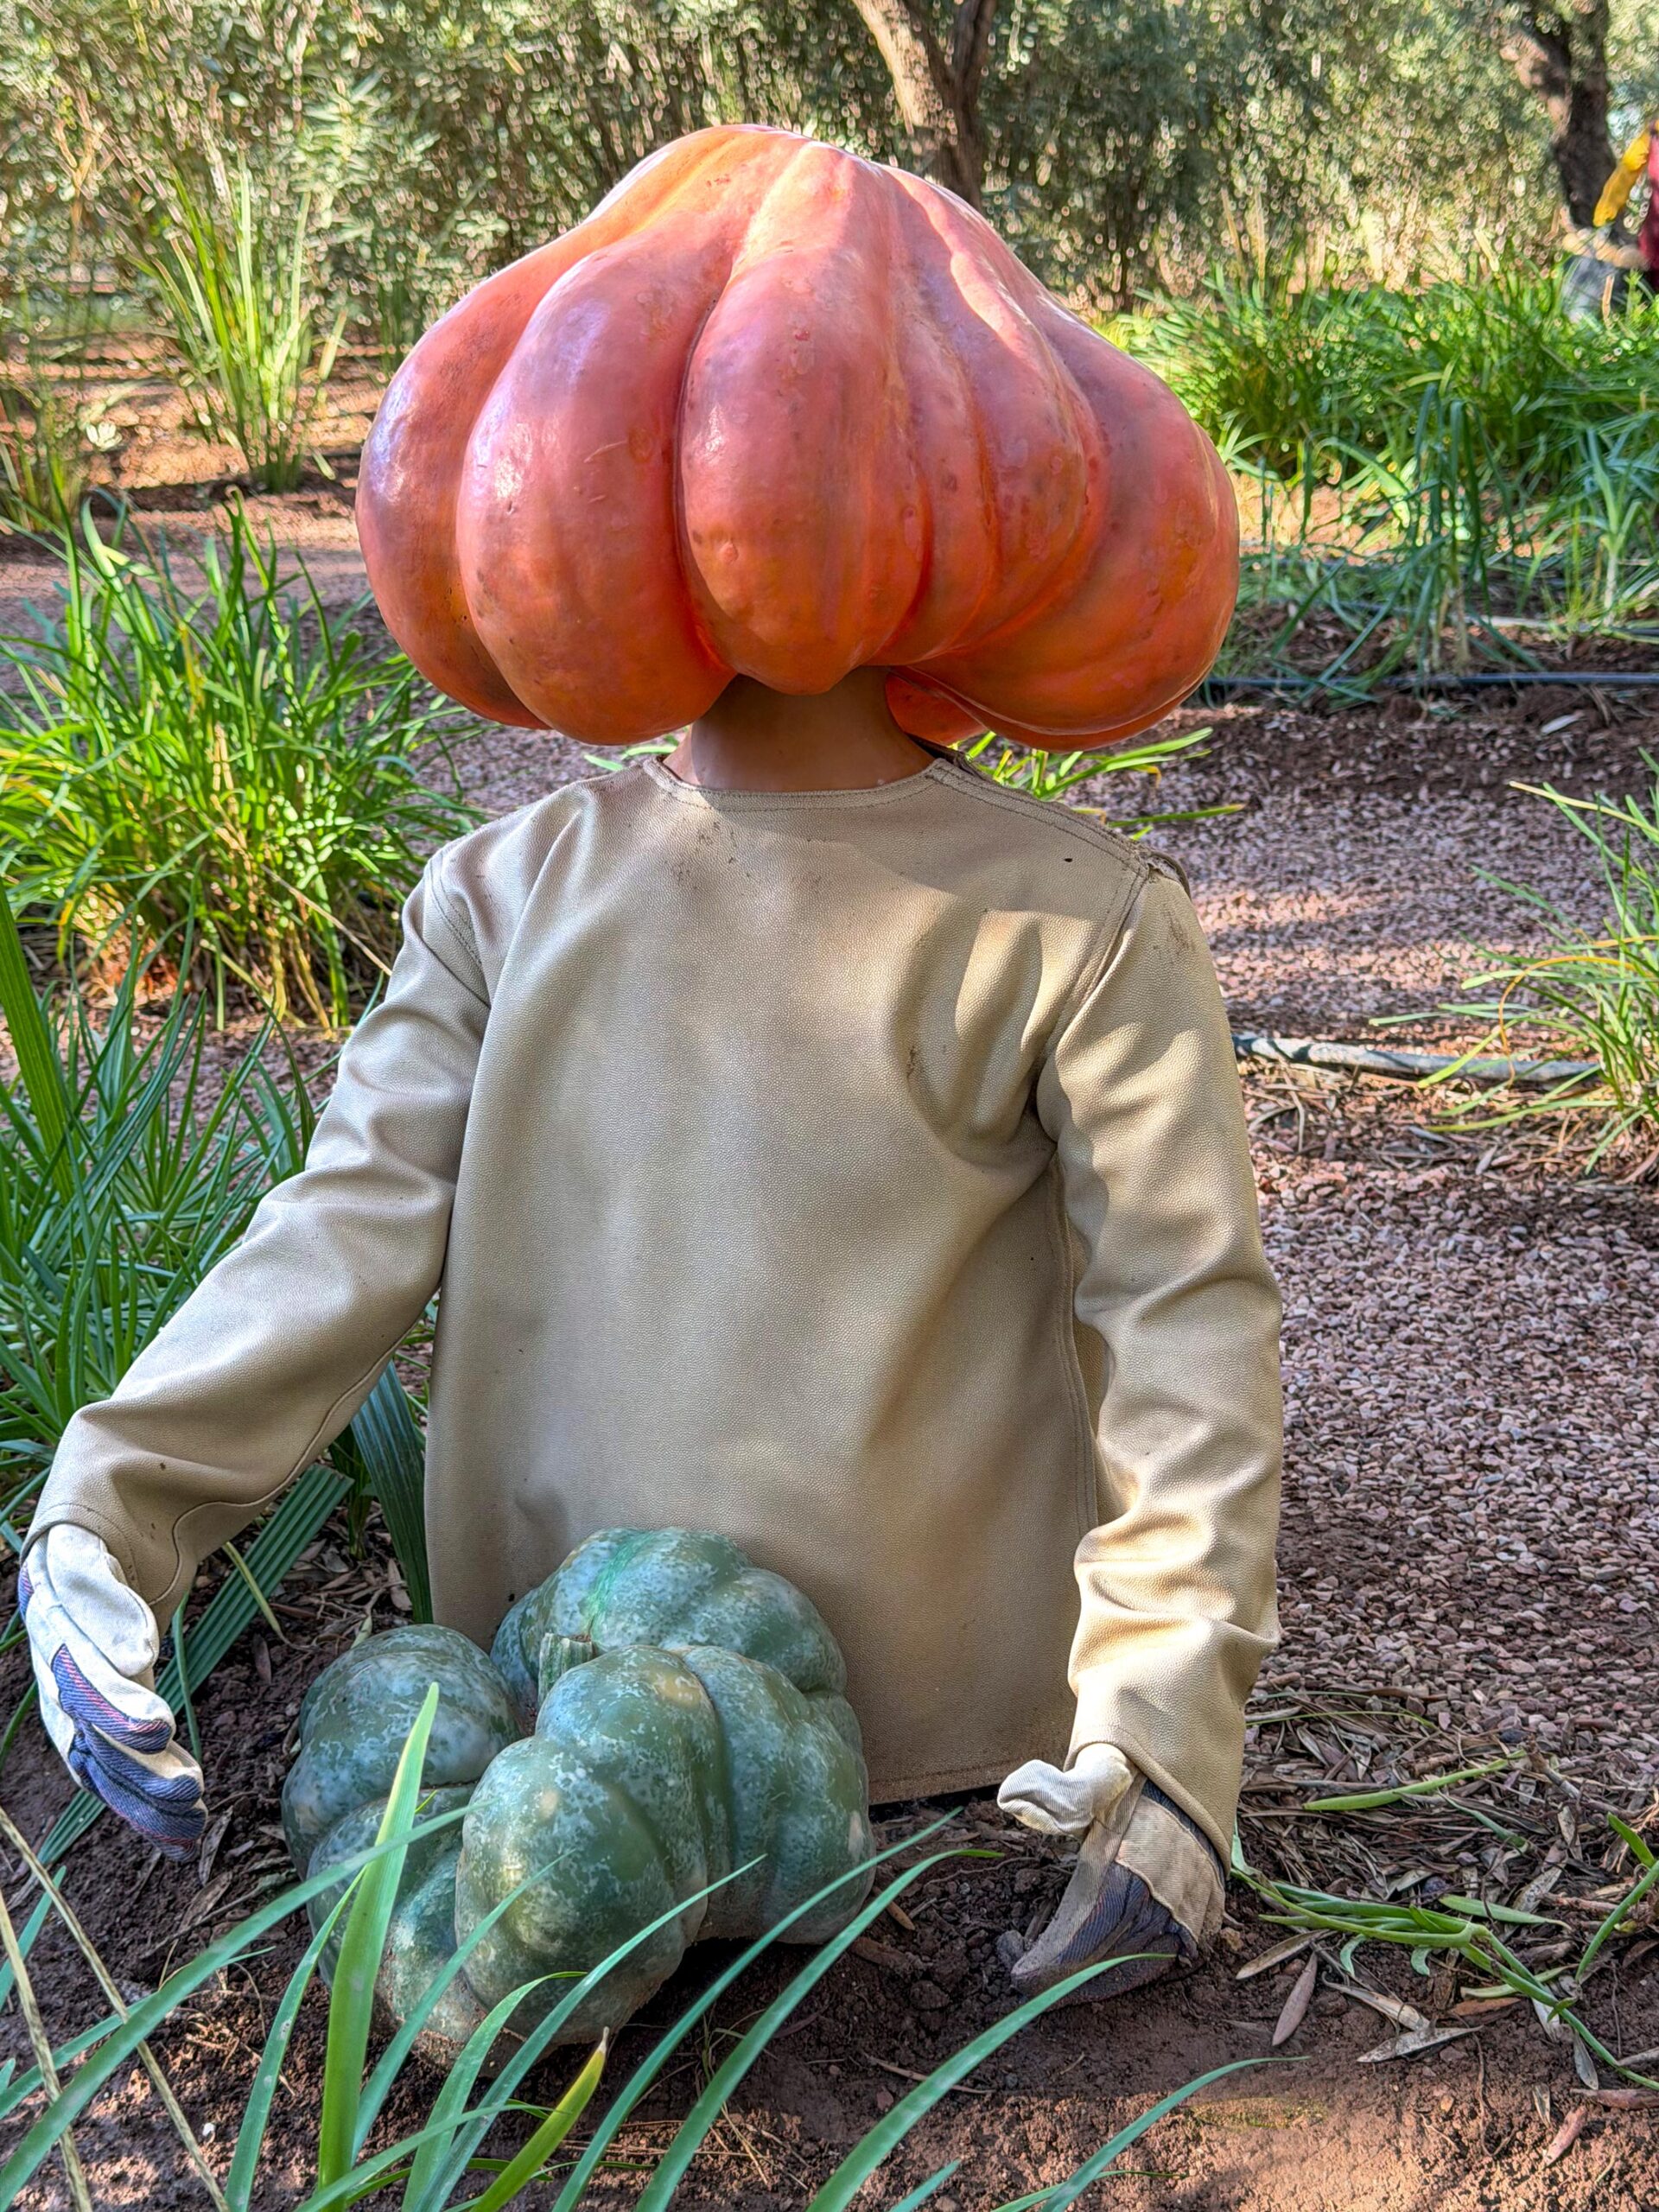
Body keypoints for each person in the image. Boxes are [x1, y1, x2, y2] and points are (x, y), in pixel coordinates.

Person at [21, 126, 1282, 2005]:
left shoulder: (1058, 922)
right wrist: (113, 1507)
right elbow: (345, 1228)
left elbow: (1181, 1325)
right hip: (581, 1725)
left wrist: (1165, 1730)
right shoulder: (1046, 913)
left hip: (878, 1753)